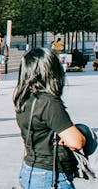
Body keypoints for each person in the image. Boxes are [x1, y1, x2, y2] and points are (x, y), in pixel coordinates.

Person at [15, 48, 89, 189]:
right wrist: (81, 133)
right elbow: (76, 142)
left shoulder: (23, 98)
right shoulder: (49, 102)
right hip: (50, 175)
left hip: (30, 169)